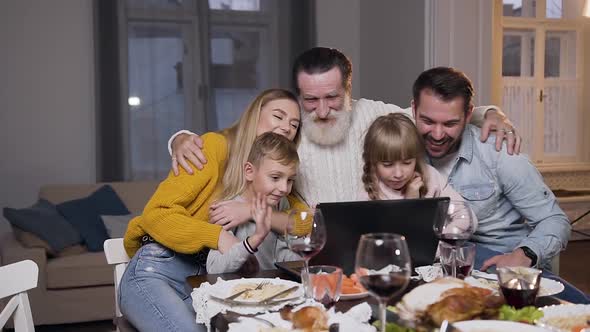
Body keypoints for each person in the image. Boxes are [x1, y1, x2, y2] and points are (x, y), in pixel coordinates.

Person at [169, 47, 520, 211]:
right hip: (310, 246)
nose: (321, 111)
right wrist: (179, 138)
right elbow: (233, 137)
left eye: (332, 98)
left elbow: (434, 115)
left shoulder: (376, 114)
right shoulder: (289, 127)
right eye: (311, 99)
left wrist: (490, 113)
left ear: (349, 90)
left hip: (373, 245)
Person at [119, 89, 306, 332]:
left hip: (206, 283)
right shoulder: (215, 147)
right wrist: (218, 236)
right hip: (159, 270)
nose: (286, 128)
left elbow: (306, 223)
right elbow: (157, 213)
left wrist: (250, 210)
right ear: (253, 117)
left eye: (294, 124)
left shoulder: (275, 179)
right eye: (278, 116)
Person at [410, 67, 571, 272]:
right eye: (427, 121)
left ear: (468, 114)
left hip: (502, 267)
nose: (438, 134)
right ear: (414, 110)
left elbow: (555, 220)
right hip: (439, 269)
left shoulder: (499, 153)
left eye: (450, 123)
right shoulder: (403, 153)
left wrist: (525, 254)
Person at [207, 132, 301, 273]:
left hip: (272, 287)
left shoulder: (281, 203)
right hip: (238, 290)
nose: (284, 189)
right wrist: (254, 240)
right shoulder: (227, 209)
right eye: (275, 177)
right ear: (249, 171)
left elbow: (280, 255)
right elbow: (214, 268)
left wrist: (308, 254)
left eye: (290, 180)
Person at [359, 112, 463, 202]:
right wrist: (410, 201)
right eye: (388, 165)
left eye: (407, 162)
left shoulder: (432, 177)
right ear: (373, 162)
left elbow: (466, 216)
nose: (398, 174)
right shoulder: (368, 195)